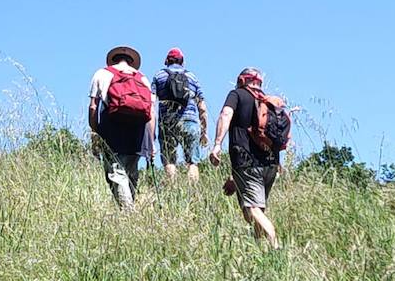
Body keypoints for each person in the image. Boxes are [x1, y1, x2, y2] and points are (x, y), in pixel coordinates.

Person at [210, 67, 282, 249]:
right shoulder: (267, 103)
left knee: (251, 209)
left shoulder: (237, 95)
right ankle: (262, 253)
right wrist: (235, 178)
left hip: (246, 162)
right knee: (256, 209)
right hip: (271, 164)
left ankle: (274, 240)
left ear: (242, 80)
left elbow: (226, 114)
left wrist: (217, 143)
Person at [88, 45, 155, 210]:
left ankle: (128, 213)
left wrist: (95, 133)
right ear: (132, 62)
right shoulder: (143, 78)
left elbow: (93, 107)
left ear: (113, 59)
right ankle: (130, 209)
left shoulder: (102, 73)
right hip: (139, 132)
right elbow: (151, 113)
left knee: (116, 173)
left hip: (113, 129)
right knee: (131, 172)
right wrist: (151, 143)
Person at [152, 48, 208, 181]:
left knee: (169, 160)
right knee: (192, 161)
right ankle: (192, 194)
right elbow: (203, 107)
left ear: (166, 61)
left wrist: (151, 130)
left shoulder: (159, 76)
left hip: (167, 122)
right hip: (190, 121)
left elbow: (151, 103)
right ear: (182, 62)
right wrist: (204, 131)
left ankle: (173, 189)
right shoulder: (192, 77)